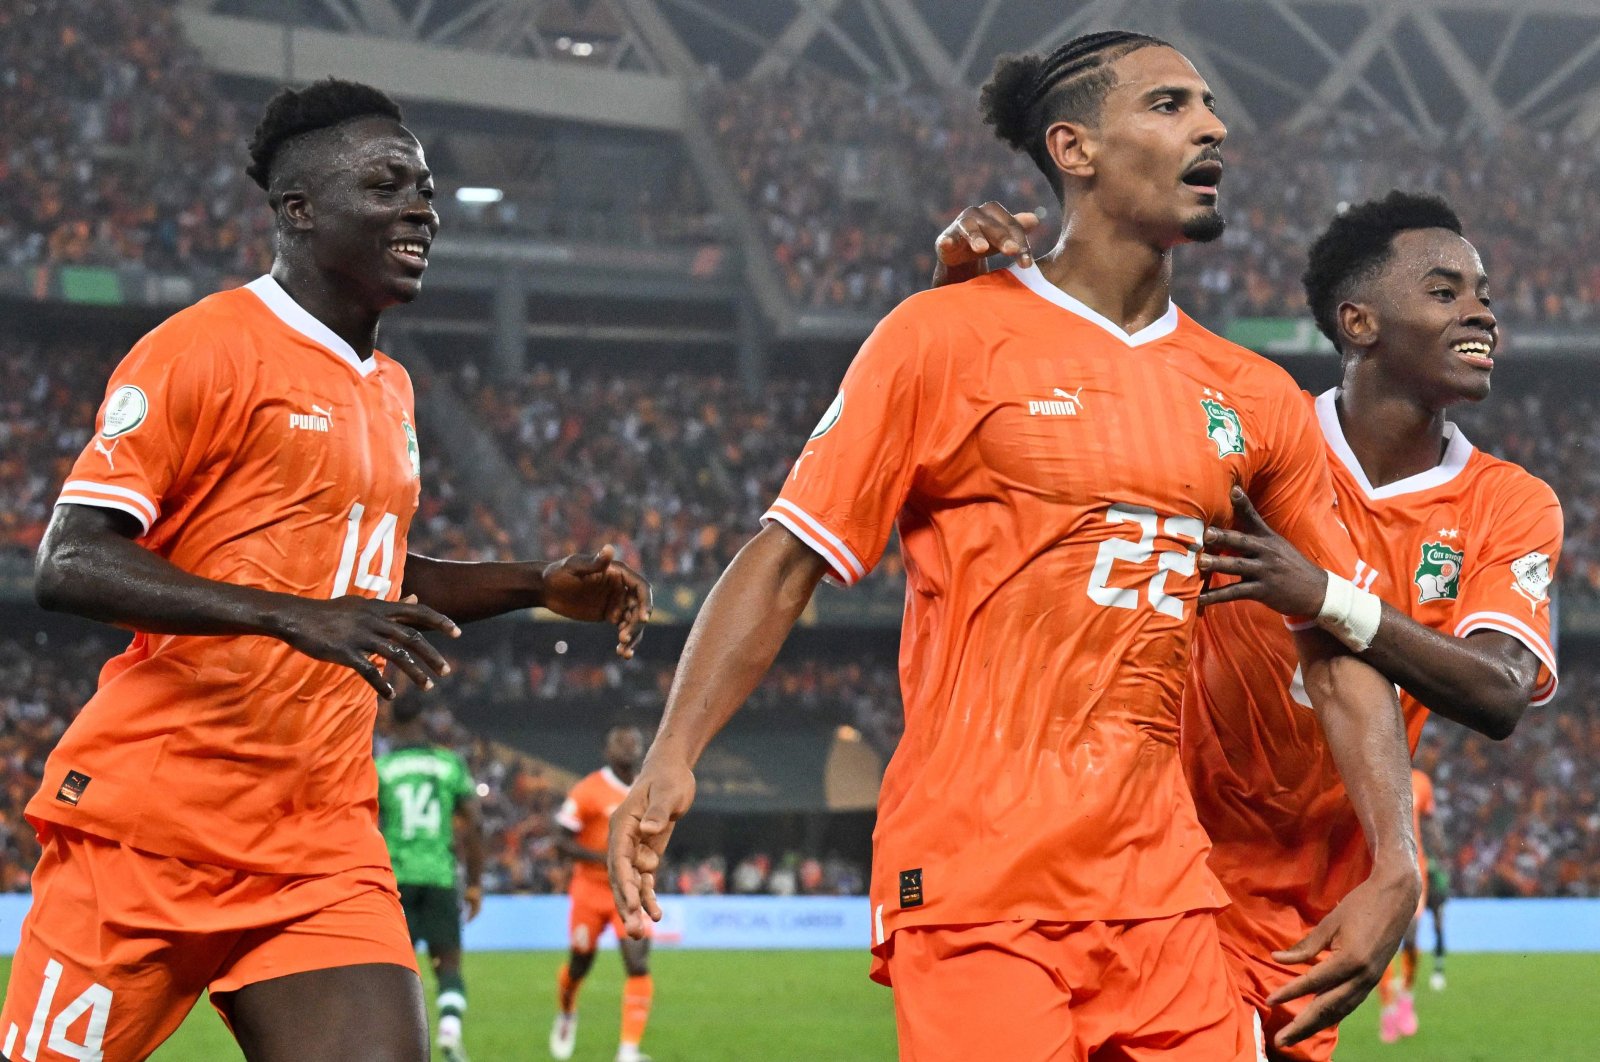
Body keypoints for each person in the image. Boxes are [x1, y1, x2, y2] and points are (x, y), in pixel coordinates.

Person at [609, 32, 1419, 1061]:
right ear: (1072, 147)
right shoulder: (939, 337)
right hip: (977, 880)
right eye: (1169, 105)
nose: (1213, 126)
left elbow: (1335, 641)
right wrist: (673, 756)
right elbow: (784, 560)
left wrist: (1398, 857)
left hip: (1168, 892)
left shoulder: (1256, 398)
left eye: (1210, 106)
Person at [0, 78, 650, 1062]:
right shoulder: (203, 350)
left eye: (425, 189)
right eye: (388, 184)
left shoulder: (388, 390)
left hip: (317, 837)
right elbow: (71, 559)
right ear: (298, 210)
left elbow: (372, 578)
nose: (420, 208)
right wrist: (291, 615)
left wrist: (532, 584)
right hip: (150, 828)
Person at [932, 190, 1560, 1060]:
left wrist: (1324, 597)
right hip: (1163, 871)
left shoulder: (1511, 504)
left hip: (1315, 917)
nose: (1482, 311)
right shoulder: (1252, 437)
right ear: (1360, 321)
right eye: (1446, 291)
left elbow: (1499, 691)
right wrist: (970, 297)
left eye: (1484, 292)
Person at [377, 696, 486, 1062]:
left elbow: (368, 824)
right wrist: (473, 884)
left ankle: (392, 1044)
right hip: (439, 876)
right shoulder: (448, 764)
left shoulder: (382, 768)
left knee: (391, 972)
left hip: (394, 881)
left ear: (393, 723)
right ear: (424, 721)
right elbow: (476, 824)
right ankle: (450, 1028)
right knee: (449, 964)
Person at [550, 727, 652, 1062]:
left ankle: (628, 1051)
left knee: (637, 963)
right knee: (580, 964)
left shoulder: (648, 789)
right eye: (621, 742)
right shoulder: (589, 790)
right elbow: (561, 841)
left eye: (634, 741)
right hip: (590, 890)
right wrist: (607, 860)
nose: (629, 746)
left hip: (628, 890)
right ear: (607, 750)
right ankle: (566, 1013)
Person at [1376, 768, 1445, 1043]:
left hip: (1416, 866)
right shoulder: (1373, 772)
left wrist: (1440, 855)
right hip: (1380, 868)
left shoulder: (1420, 781)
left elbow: (1430, 821)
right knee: (1381, 945)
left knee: (1412, 937)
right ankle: (1388, 1010)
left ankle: (1406, 998)